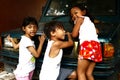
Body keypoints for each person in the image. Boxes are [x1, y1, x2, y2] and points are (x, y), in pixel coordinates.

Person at [70, 4, 102, 80]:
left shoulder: (80, 19)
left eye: (76, 13)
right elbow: (97, 31)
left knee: (80, 73)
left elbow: (74, 35)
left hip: (87, 46)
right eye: (72, 15)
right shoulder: (89, 22)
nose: (74, 16)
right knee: (89, 73)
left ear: (83, 12)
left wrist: (70, 33)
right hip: (96, 47)